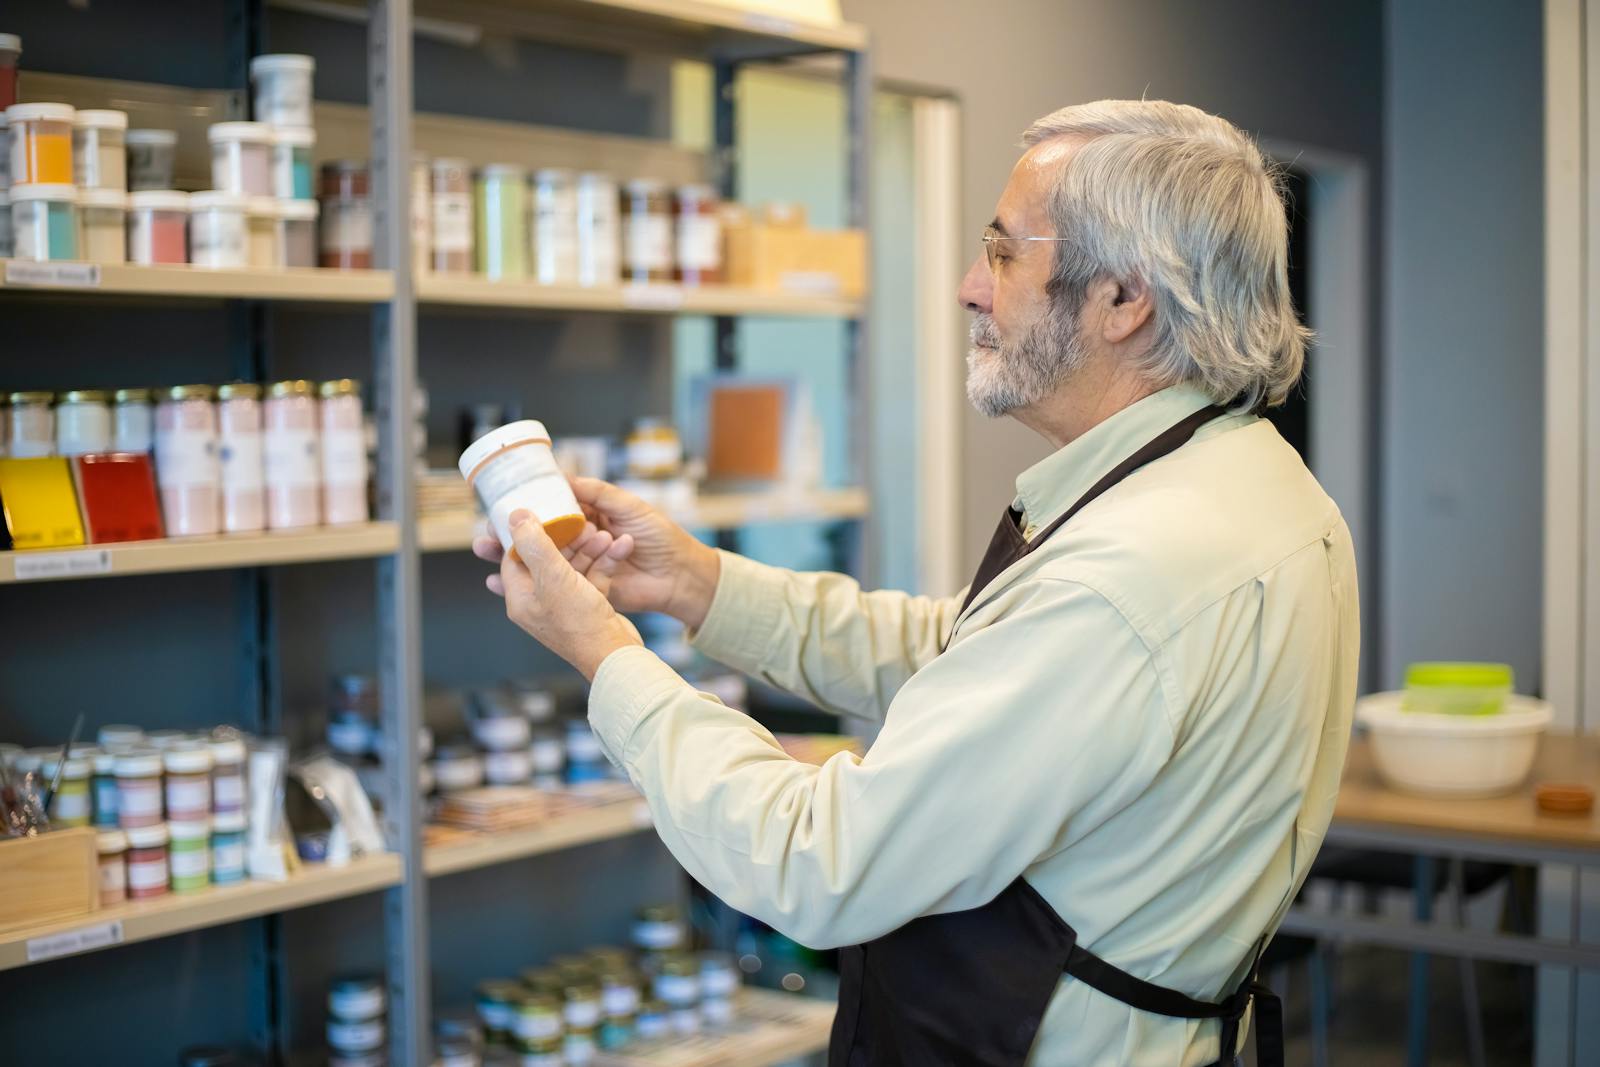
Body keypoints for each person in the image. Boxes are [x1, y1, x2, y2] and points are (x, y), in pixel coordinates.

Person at [473, 99, 1359, 1067]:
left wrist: (602, 655)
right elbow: (971, 657)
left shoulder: (1128, 575)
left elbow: (817, 861)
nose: (969, 287)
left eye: (1004, 251)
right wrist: (696, 582)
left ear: (1121, 298)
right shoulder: (1249, 484)